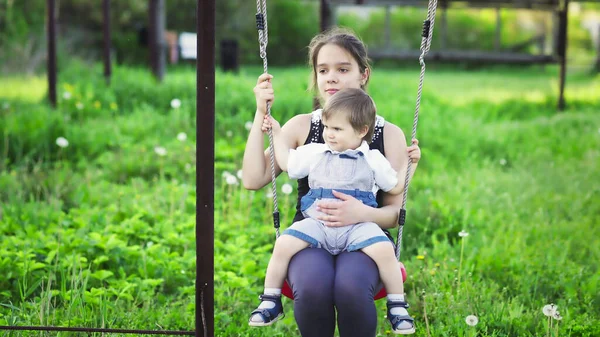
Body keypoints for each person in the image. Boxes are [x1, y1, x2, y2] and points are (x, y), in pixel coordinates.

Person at [242, 27, 421, 337]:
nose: (331, 77)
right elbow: (253, 178)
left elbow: (394, 210)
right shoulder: (302, 126)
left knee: (351, 288)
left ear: (364, 74)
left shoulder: (386, 133)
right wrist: (261, 114)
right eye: (323, 70)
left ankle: (395, 306)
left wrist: (363, 213)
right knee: (312, 287)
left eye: (343, 69)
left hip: (366, 237)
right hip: (312, 234)